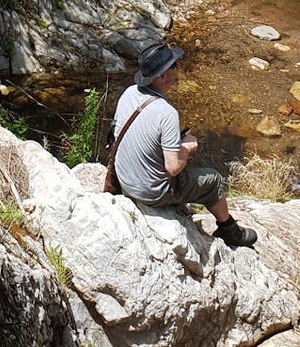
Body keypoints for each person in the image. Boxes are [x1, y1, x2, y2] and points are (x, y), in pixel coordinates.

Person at [109, 42, 258, 248]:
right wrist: (187, 147)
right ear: (162, 77)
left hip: (124, 179)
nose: (177, 69)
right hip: (149, 192)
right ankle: (230, 231)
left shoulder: (130, 92)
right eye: (174, 66)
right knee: (213, 180)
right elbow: (172, 168)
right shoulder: (167, 113)